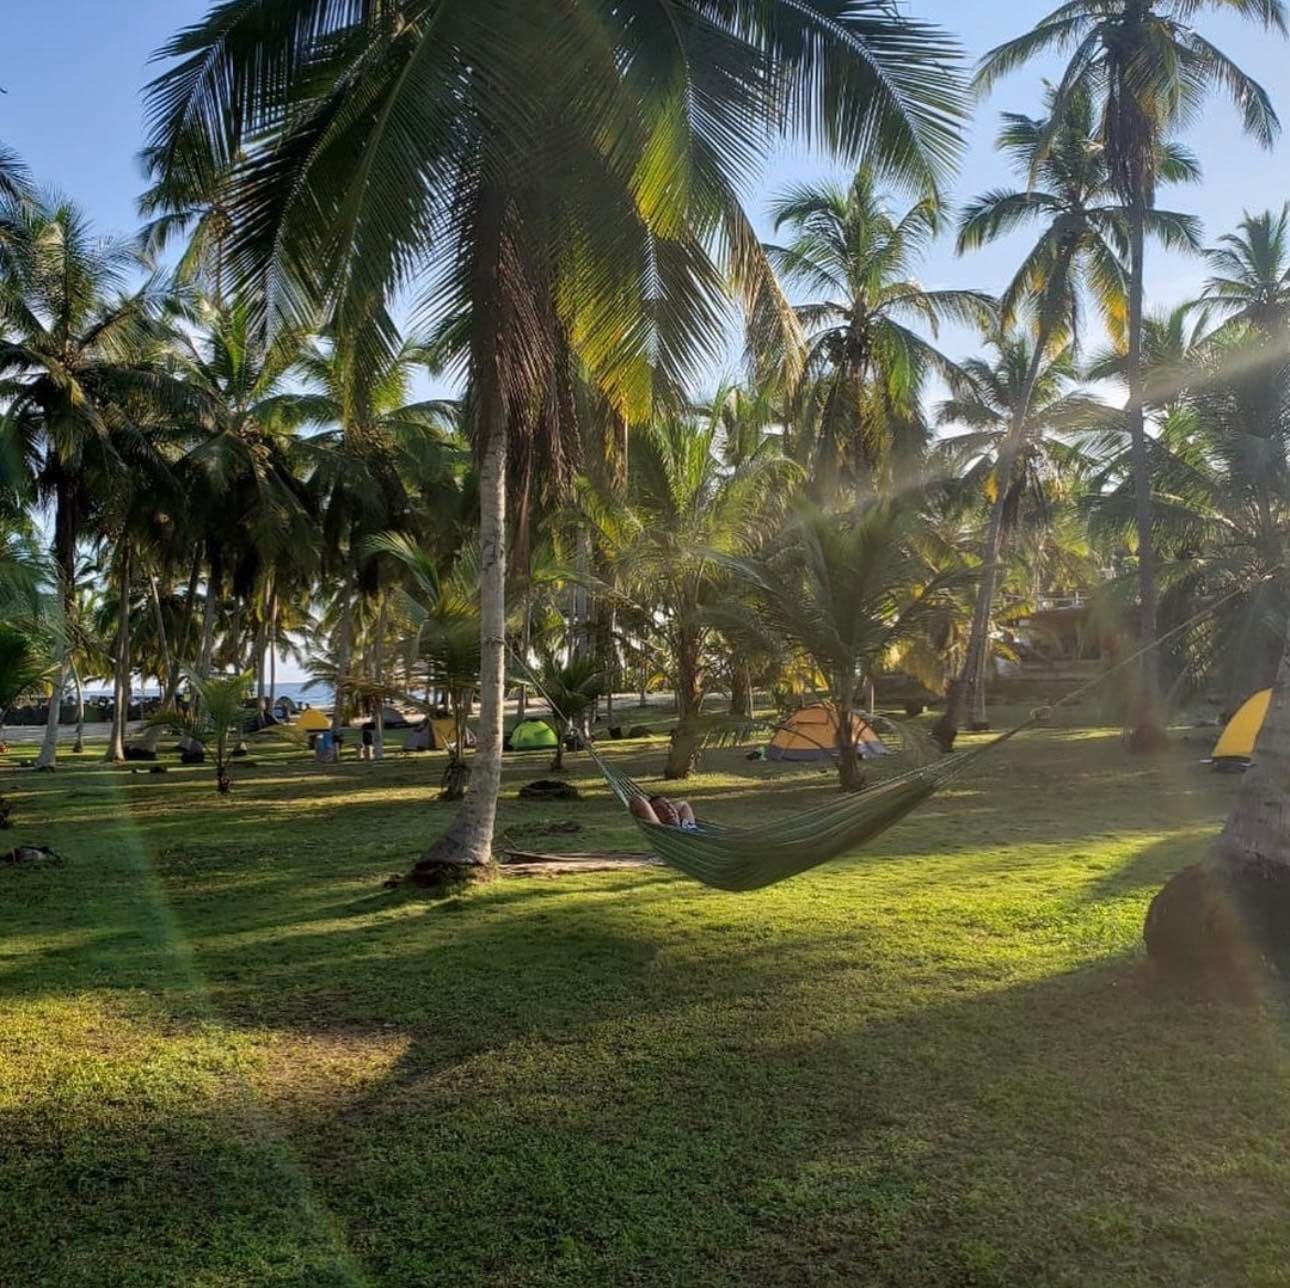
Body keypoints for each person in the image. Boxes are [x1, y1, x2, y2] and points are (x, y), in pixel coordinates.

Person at [630, 794, 698, 830]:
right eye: (660, 810)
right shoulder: (662, 832)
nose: (667, 810)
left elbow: (683, 804)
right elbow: (637, 801)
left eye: (668, 805)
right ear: (654, 816)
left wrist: (672, 813)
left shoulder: (686, 825)